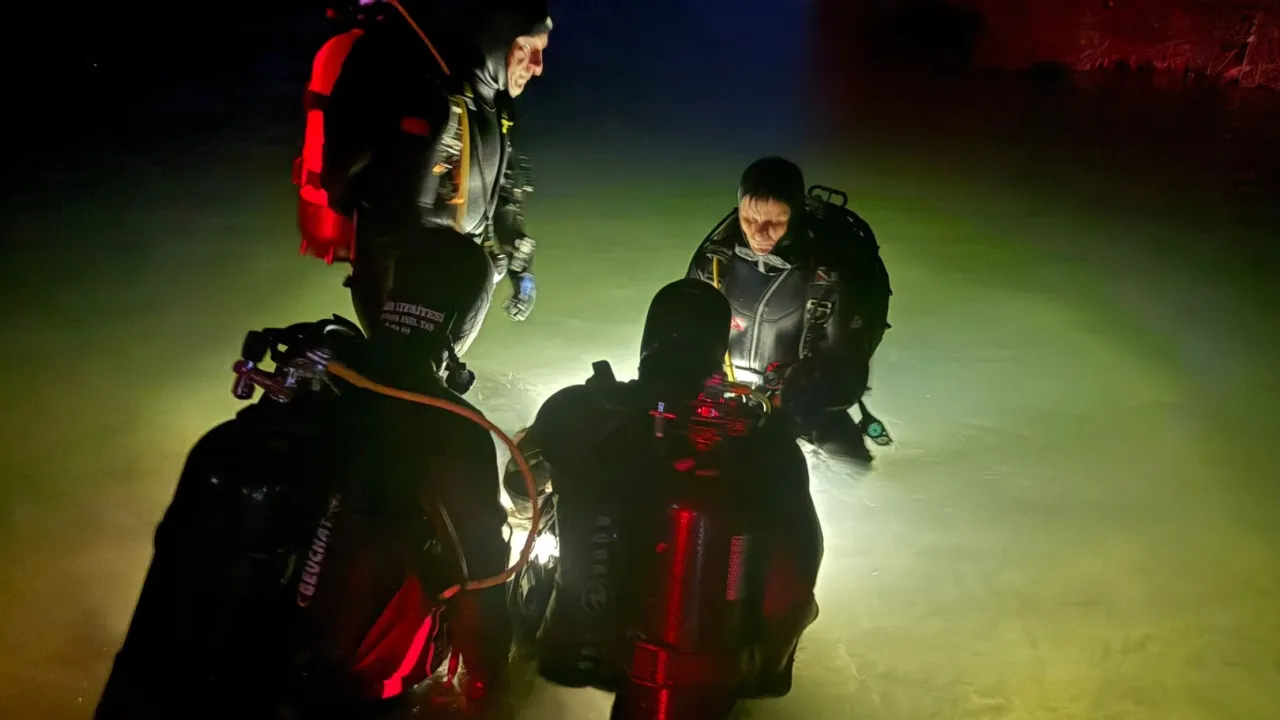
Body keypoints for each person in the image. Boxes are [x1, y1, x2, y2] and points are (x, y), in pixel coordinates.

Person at [94, 229, 514, 719]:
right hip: (335, 702)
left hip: (190, 686)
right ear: (466, 320)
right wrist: (491, 693)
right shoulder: (454, 431)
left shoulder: (292, 400)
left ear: (388, 294)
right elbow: (483, 608)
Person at [503, 280, 823, 714]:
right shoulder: (764, 438)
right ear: (720, 350)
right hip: (713, 658)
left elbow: (519, 486)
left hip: (588, 646)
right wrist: (768, 662)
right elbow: (802, 561)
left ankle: (507, 682)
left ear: (648, 340)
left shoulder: (579, 407)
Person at [318, 0, 553, 333]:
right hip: (399, 293)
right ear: (499, 39)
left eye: (542, 51)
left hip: (457, 289)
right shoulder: (428, 95)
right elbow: (384, 212)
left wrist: (520, 260)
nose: (538, 66)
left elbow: (503, 191)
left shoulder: (498, 108)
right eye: (527, 48)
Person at [686, 156, 893, 464]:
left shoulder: (828, 277)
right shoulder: (714, 262)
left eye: (775, 222)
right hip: (721, 396)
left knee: (852, 467)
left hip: (799, 404)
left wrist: (790, 414)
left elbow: (846, 372)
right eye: (749, 219)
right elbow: (680, 334)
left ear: (795, 216)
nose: (759, 232)